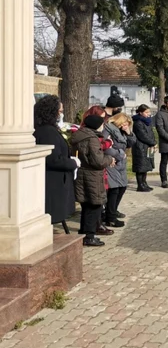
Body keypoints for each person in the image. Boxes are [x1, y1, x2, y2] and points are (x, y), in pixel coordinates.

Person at [33, 95, 79, 227]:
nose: (61, 114)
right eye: (59, 111)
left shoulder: (49, 129)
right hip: (53, 179)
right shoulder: (47, 132)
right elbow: (53, 159)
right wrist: (73, 163)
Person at [71, 114, 116, 246]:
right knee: (94, 205)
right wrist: (110, 159)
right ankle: (89, 235)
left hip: (81, 173)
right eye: (102, 124)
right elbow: (98, 161)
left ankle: (83, 232)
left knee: (86, 205)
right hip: (92, 175)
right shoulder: (92, 139)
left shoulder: (78, 135)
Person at [103, 113, 136, 226]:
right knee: (114, 189)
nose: (126, 125)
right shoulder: (109, 129)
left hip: (120, 163)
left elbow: (131, 143)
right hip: (112, 162)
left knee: (122, 187)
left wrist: (128, 132)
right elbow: (105, 146)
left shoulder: (122, 130)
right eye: (125, 123)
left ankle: (112, 211)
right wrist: (119, 154)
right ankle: (110, 217)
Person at [132, 104, 157, 192]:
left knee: (146, 166)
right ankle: (140, 185)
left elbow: (151, 133)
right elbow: (143, 136)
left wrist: (154, 143)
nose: (148, 114)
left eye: (149, 112)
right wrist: (153, 142)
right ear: (140, 112)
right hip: (140, 147)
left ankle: (144, 183)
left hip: (148, 147)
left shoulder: (148, 121)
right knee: (140, 167)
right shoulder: (138, 122)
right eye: (146, 112)